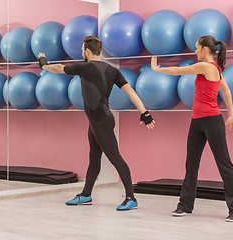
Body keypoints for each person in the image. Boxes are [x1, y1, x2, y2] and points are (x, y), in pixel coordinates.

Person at [38, 36, 155, 210]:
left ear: (86, 51)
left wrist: (43, 64)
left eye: (81, 50)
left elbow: (59, 68)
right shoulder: (112, 70)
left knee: (115, 158)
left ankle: (131, 198)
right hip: (97, 121)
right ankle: (86, 195)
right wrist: (144, 112)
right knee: (94, 160)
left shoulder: (84, 67)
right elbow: (130, 90)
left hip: (101, 122)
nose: (81, 53)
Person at [151, 35, 233, 222]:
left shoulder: (207, 66)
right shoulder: (214, 69)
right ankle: (185, 206)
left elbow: (177, 71)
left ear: (205, 50)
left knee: (224, 164)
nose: (194, 51)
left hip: (212, 122)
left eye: (196, 48)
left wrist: (155, 69)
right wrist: (231, 114)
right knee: (191, 164)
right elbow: (226, 90)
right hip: (197, 122)